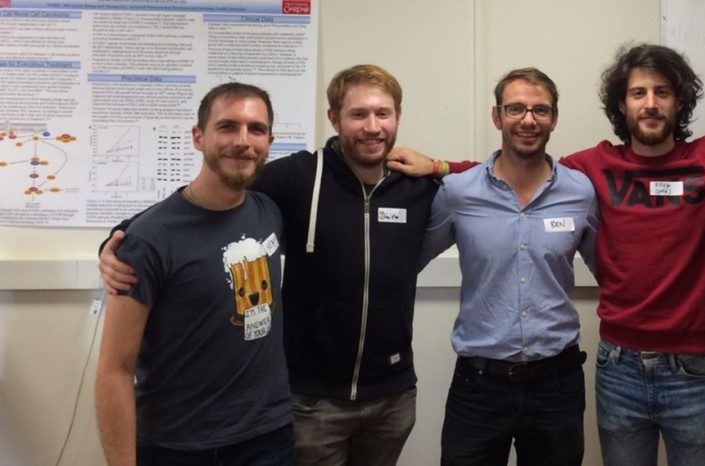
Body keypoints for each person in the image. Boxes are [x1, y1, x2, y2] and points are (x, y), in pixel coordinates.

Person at [388, 43, 705, 466]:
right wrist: (439, 164)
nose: (650, 104)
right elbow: (521, 167)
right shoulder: (592, 168)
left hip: (695, 370)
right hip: (618, 367)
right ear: (622, 105)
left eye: (662, 92)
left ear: (680, 101)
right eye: (638, 93)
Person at [98, 65, 472, 466]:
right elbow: (203, 199)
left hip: (392, 396)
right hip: (309, 400)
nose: (372, 127)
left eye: (383, 114)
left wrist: (439, 166)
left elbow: (501, 173)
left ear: (398, 116)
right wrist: (119, 238)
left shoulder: (415, 185)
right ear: (334, 118)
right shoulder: (297, 177)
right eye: (358, 114)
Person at [94, 82, 294, 466]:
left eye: (256, 129)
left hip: (268, 437)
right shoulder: (148, 239)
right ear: (198, 137)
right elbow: (114, 371)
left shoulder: (269, 211)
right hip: (179, 446)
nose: (243, 140)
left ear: (270, 140)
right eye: (227, 126)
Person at [420, 68, 598, 466]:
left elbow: (614, 272)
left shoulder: (580, 192)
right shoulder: (458, 192)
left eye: (541, 110)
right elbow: (406, 262)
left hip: (557, 385)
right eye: (516, 108)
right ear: (497, 117)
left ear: (554, 118)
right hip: (479, 387)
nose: (528, 120)